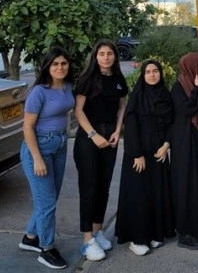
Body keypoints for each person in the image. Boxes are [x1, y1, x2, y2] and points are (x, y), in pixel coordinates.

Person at [18, 47, 75, 269]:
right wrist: (37, 158)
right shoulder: (39, 92)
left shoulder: (68, 87)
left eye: (63, 63)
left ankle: (30, 237)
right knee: (47, 201)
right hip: (38, 148)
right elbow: (27, 127)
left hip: (60, 146)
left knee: (49, 198)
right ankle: (47, 249)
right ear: (47, 67)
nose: (60, 67)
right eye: (55, 64)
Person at [74, 40, 129, 261]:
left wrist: (118, 130)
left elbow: (122, 105)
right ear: (95, 57)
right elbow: (78, 111)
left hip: (110, 136)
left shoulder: (117, 79)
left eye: (109, 54)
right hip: (89, 137)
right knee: (90, 187)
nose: (105, 57)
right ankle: (87, 240)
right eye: (101, 54)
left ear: (115, 57)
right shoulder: (87, 79)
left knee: (104, 187)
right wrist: (93, 135)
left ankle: (97, 232)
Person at [115, 60, 175, 256]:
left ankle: (155, 233)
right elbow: (130, 127)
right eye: (148, 72)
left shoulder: (166, 96)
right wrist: (137, 154)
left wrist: (167, 145)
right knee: (139, 195)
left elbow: (172, 124)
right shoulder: (138, 97)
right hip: (139, 154)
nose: (152, 75)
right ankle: (137, 238)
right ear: (143, 75)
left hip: (159, 152)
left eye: (155, 71)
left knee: (157, 192)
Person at [170, 52, 198, 250]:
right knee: (187, 187)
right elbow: (187, 110)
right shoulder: (179, 87)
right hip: (185, 143)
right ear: (191, 67)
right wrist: (197, 89)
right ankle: (185, 233)